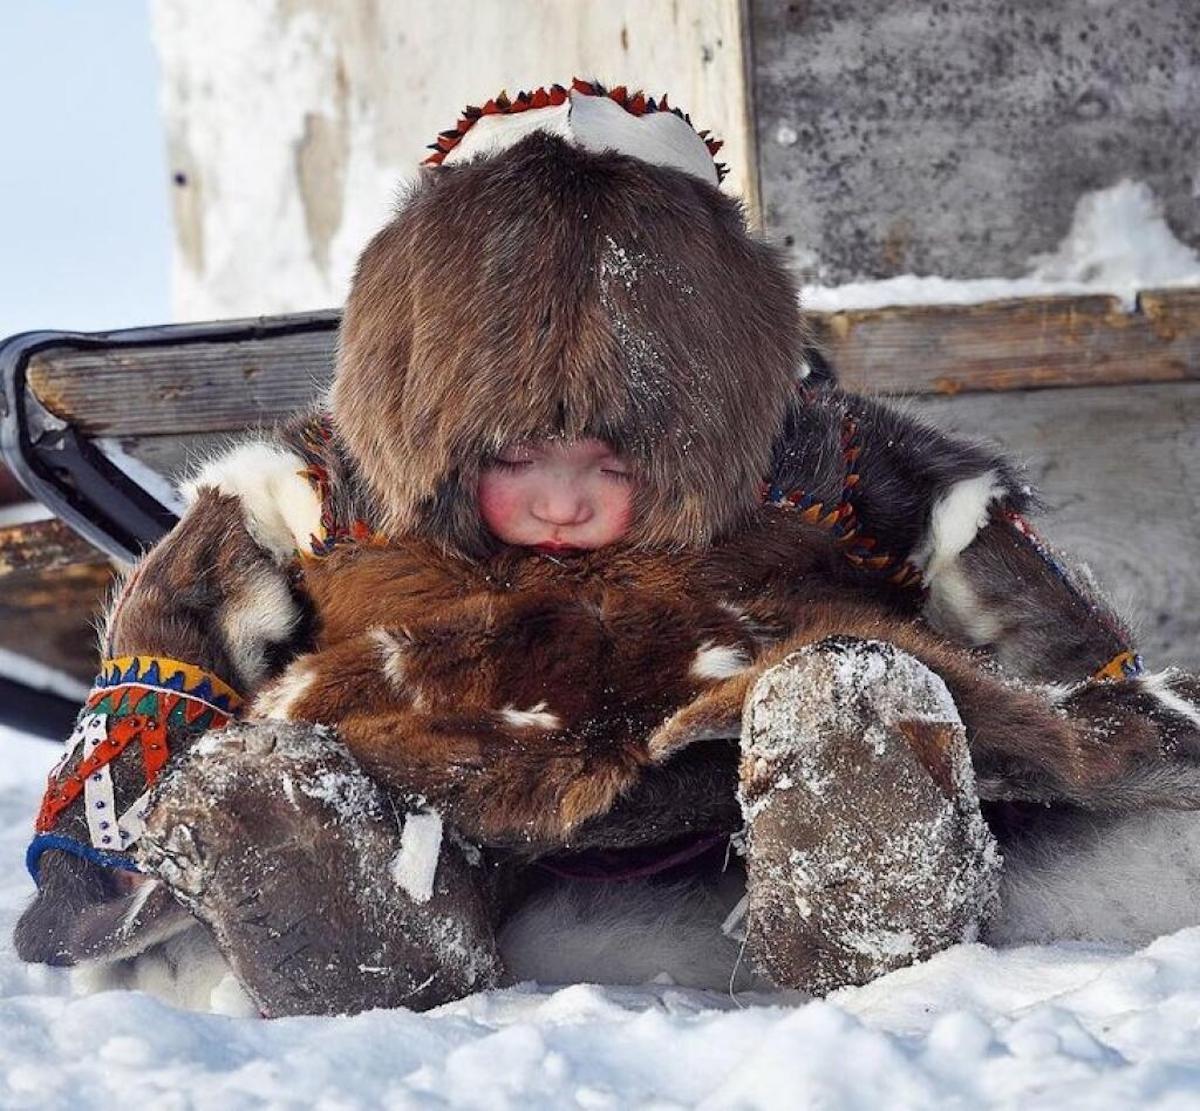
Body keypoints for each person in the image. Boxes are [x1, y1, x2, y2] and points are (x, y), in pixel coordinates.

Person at [15, 80, 1200, 1017]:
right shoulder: (328, 487)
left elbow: (993, 577)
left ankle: (875, 926)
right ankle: (355, 932)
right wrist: (95, 842)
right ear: (432, 418)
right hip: (458, 795)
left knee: (859, 693)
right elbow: (174, 638)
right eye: (519, 459)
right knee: (278, 782)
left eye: (614, 465)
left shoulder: (817, 461)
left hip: (738, 772)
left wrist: (1107, 714)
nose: (566, 503)